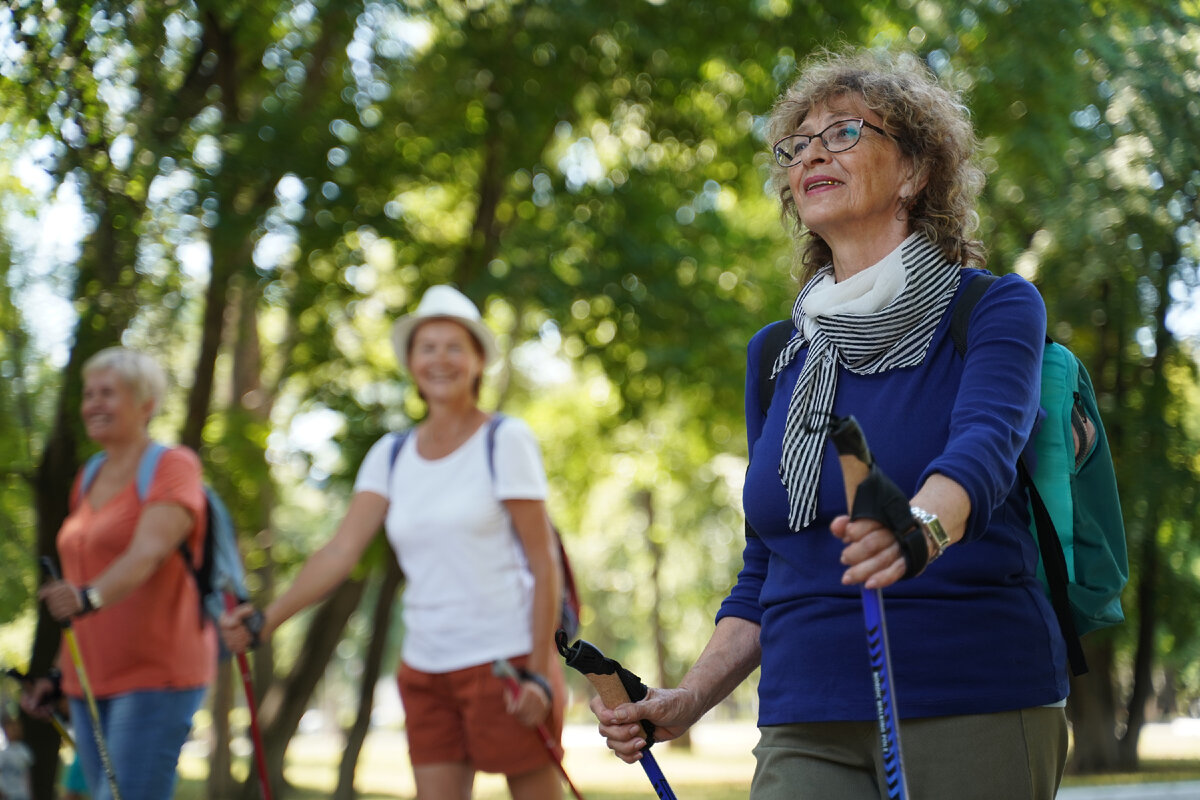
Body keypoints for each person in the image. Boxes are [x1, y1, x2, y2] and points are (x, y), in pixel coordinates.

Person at [591, 47, 1069, 799]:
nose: (811, 151)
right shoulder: (778, 355)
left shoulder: (993, 307)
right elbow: (768, 563)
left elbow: (985, 449)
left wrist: (920, 530)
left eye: (845, 133)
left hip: (970, 696)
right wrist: (687, 700)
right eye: (797, 143)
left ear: (913, 172)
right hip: (803, 713)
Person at [221, 284, 566, 800]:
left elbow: (544, 564)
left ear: (477, 361)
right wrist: (265, 621)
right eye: (427, 347)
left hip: (506, 661)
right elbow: (341, 551)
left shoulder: (505, 440)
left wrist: (539, 672)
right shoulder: (391, 454)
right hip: (426, 668)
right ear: (411, 363)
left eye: (455, 347)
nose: (440, 359)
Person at [20, 347, 214, 800]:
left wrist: (89, 597)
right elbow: (77, 586)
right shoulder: (88, 476)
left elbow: (146, 553)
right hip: (91, 679)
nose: (93, 404)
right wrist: (55, 676)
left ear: (146, 403)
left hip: (155, 676)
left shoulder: (173, 466)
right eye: (89, 394)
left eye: (108, 393)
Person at [0, 710, 33, 800]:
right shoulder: (3, 753)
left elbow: (27, 775)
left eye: (17, 726)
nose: (15, 729)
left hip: (23, 795)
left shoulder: (25, 751)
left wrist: (30, 794)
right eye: (12, 727)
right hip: (8, 795)